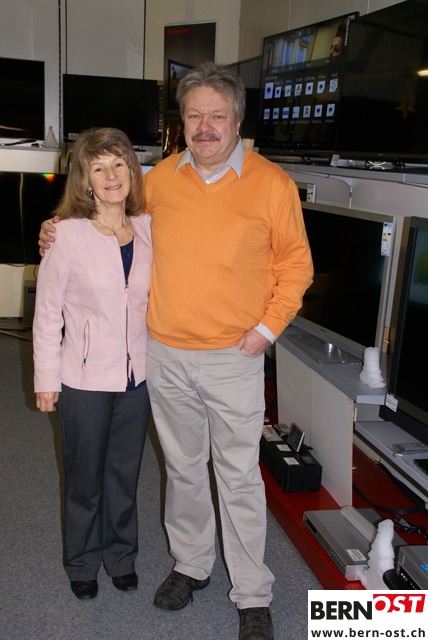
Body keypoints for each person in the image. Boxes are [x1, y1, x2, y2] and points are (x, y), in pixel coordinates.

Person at [39, 62, 313, 640]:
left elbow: (295, 268)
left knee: (238, 477)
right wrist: (55, 228)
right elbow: (105, 222)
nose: (205, 127)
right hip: (162, 355)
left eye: (217, 116)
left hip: (234, 356)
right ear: (181, 123)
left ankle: (253, 594)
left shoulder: (272, 185)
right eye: (194, 116)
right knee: (184, 471)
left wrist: (265, 332)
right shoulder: (159, 180)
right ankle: (192, 565)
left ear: (237, 119)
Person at [33, 127, 152, 601]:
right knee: (84, 478)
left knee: (124, 475)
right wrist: (46, 380)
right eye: (98, 167)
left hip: (137, 378)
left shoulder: (148, 228)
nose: (111, 175)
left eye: (119, 164)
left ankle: (121, 557)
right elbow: (46, 316)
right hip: (82, 379)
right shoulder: (64, 235)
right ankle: (82, 562)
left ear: (132, 172)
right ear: (84, 180)